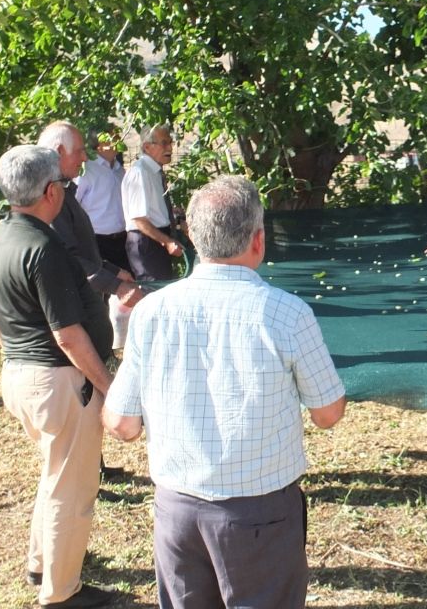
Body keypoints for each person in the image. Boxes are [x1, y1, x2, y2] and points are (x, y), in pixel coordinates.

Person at [103, 175, 346, 608]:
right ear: (259, 240)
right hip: (261, 512)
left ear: (193, 237)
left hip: (177, 509)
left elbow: (121, 424)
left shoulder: (152, 311)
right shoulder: (288, 314)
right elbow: (328, 413)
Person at [0, 146, 118, 608]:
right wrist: (109, 387)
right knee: (72, 490)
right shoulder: (43, 247)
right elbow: (68, 335)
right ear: (51, 191)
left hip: (21, 374)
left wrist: (17, 356)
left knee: (55, 475)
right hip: (58, 382)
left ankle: (42, 563)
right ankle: (60, 593)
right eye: (64, 185)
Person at [37, 121, 142, 309]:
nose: (85, 158)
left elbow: (80, 251)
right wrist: (115, 285)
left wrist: (112, 271)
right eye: (79, 151)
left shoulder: (63, 190)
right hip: (72, 304)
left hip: (115, 246)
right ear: (60, 151)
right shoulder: (50, 196)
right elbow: (67, 258)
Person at [122, 124, 183, 281]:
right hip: (147, 242)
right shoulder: (140, 172)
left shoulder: (153, 171)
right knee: (153, 290)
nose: (170, 147)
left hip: (156, 239)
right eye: (164, 143)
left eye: (170, 142)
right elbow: (139, 220)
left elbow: (151, 210)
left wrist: (171, 213)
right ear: (147, 147)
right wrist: (167, 242)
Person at [74, 132, 129, 272]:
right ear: (99, 145)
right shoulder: (87, 170)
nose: (117, 140)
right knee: (104, 281)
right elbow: (74, 203)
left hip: (122, 238)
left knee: (126, 280)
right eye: (111, 138)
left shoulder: (119, 170)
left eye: (118, 137)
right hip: (97, 240)